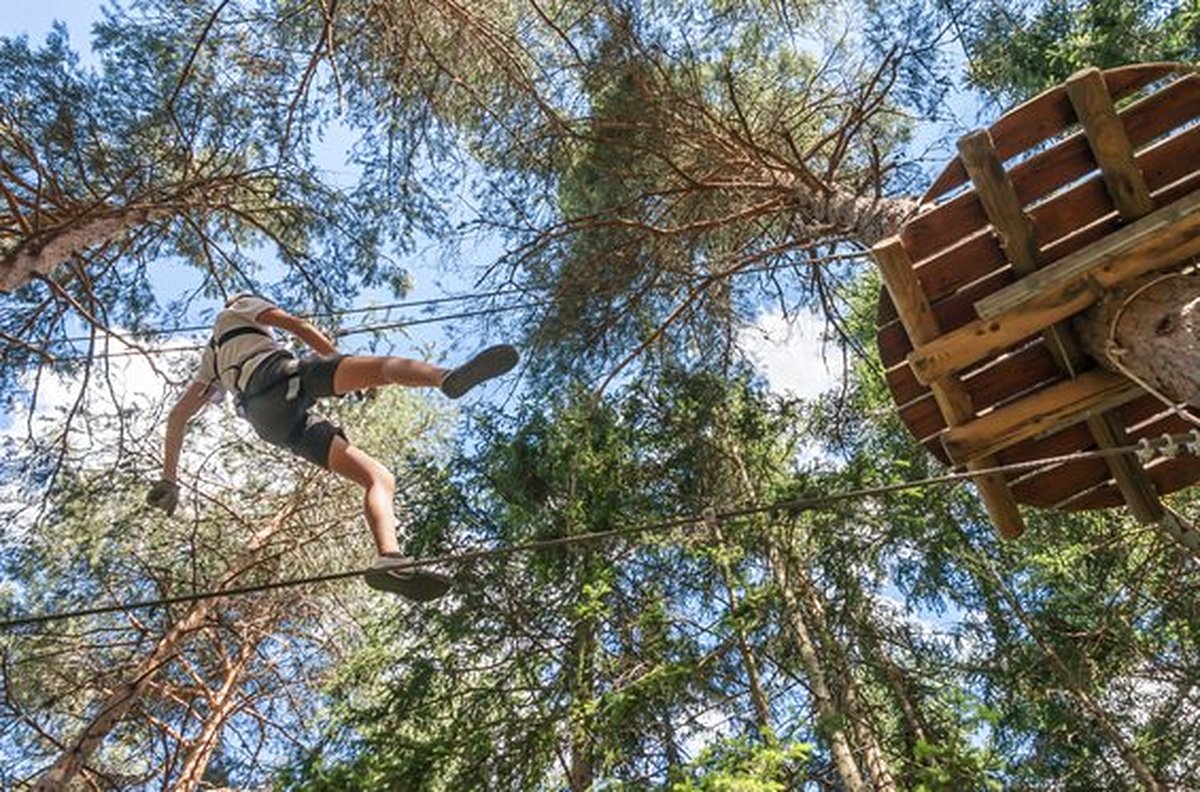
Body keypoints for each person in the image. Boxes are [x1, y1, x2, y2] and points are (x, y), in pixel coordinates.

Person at [146, 292, 518, 600]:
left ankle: (390, 558)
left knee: (377, 477)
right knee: (386, 368)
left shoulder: (211, 358)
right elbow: (299, 326)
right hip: (276, 377)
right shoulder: (240, 305)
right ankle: (446, 378)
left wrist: (169, 480)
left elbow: (179, 415)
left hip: (270, 422)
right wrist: (343, 366)